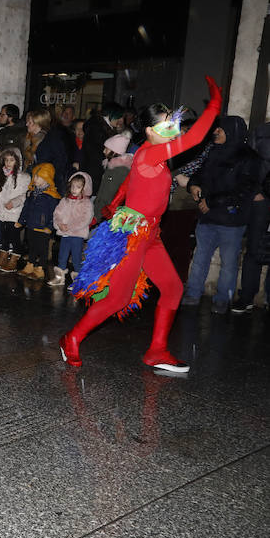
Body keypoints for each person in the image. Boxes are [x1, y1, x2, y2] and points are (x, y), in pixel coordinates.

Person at [62, 77, 221, 373]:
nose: (173, 130)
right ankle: (71, 338)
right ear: (150, 131)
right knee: (118, 298)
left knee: (172, 288)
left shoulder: (154, 157)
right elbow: (194, 139)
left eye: (173, 124)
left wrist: (117, 202)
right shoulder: (150, 153)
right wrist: (213, 107)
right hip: (133, 235)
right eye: (166, 126)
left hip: (150, 234)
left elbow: (135, 184)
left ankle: (157, 350)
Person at [181, 115, 259, 313]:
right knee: (200, 257)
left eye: (220, 129)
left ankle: (223, 299)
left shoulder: (248, 157)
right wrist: (193, 185)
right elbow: (200, 173)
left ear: (231, 132)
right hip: (207, 216)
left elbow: (244, 190)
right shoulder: (214, 151)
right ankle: (193, 293)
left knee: (229, 263)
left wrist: (212, 202)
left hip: (231, 219)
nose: (215, 132)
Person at [231, 121, 270, 313]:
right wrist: (255, 190)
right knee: (254, 247)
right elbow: (248, 161)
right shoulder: (262, 131)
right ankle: (246, 297)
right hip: (261, 199)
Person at [0, 146, 30, 272]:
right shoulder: (1, 175)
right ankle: (2, 257)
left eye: (11, 160)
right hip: (2, 212)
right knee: (4, 237)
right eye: (6, 160)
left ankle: (14, 260)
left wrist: (14, 202)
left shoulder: (24, 177)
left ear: (17, 161)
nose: (8, 163)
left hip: (14, 212)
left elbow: (25, 195)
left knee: (14, 237)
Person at [49, 171, 94, 287]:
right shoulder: (65, 200)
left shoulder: (86, 203)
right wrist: (59, 224)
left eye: (78, 187)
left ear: (85, 188)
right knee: (62, 256)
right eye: (73, 186)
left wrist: (69, 226)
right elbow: (57, 213)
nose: (74, 189)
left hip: (77, 235)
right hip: (65, 233)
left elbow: (85, 219)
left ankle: (78, 281)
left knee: (76, 258)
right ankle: (59, 278)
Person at [17, 163, 60, 280]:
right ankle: (30, 265)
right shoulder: (32, 193)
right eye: (34, 176)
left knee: (43, 249)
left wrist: (50, 227)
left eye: (38, 176)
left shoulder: (51, 197)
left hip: (43, 228)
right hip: (31, 225)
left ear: (47, 178)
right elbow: (26, 208)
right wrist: (21, 221)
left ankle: (40, 268)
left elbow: (55, 214)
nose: (34, 179)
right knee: (32, 247)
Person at [80, 103, 124, 193]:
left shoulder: (100, 127)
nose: (120, 120)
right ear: (110, 115)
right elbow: (96, 154)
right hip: (94, 173)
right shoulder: (98, 129)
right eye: (118, 117)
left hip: (93, 171)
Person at [92, 134, 133, 221]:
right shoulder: (112, 165)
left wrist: (99, 214)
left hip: (105, 213)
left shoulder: (118, 170)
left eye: (107, 149)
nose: (104, 151)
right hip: (102, 209)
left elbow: (108, 194)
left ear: (115, 151)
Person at [28, 109, 68, 194]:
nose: (26, 124)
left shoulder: (52, 139)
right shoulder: (31, 139)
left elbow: (60, 161)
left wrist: (49, 179)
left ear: (38, 124)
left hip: (49, 184)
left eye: (30, 122)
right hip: (36, 181)